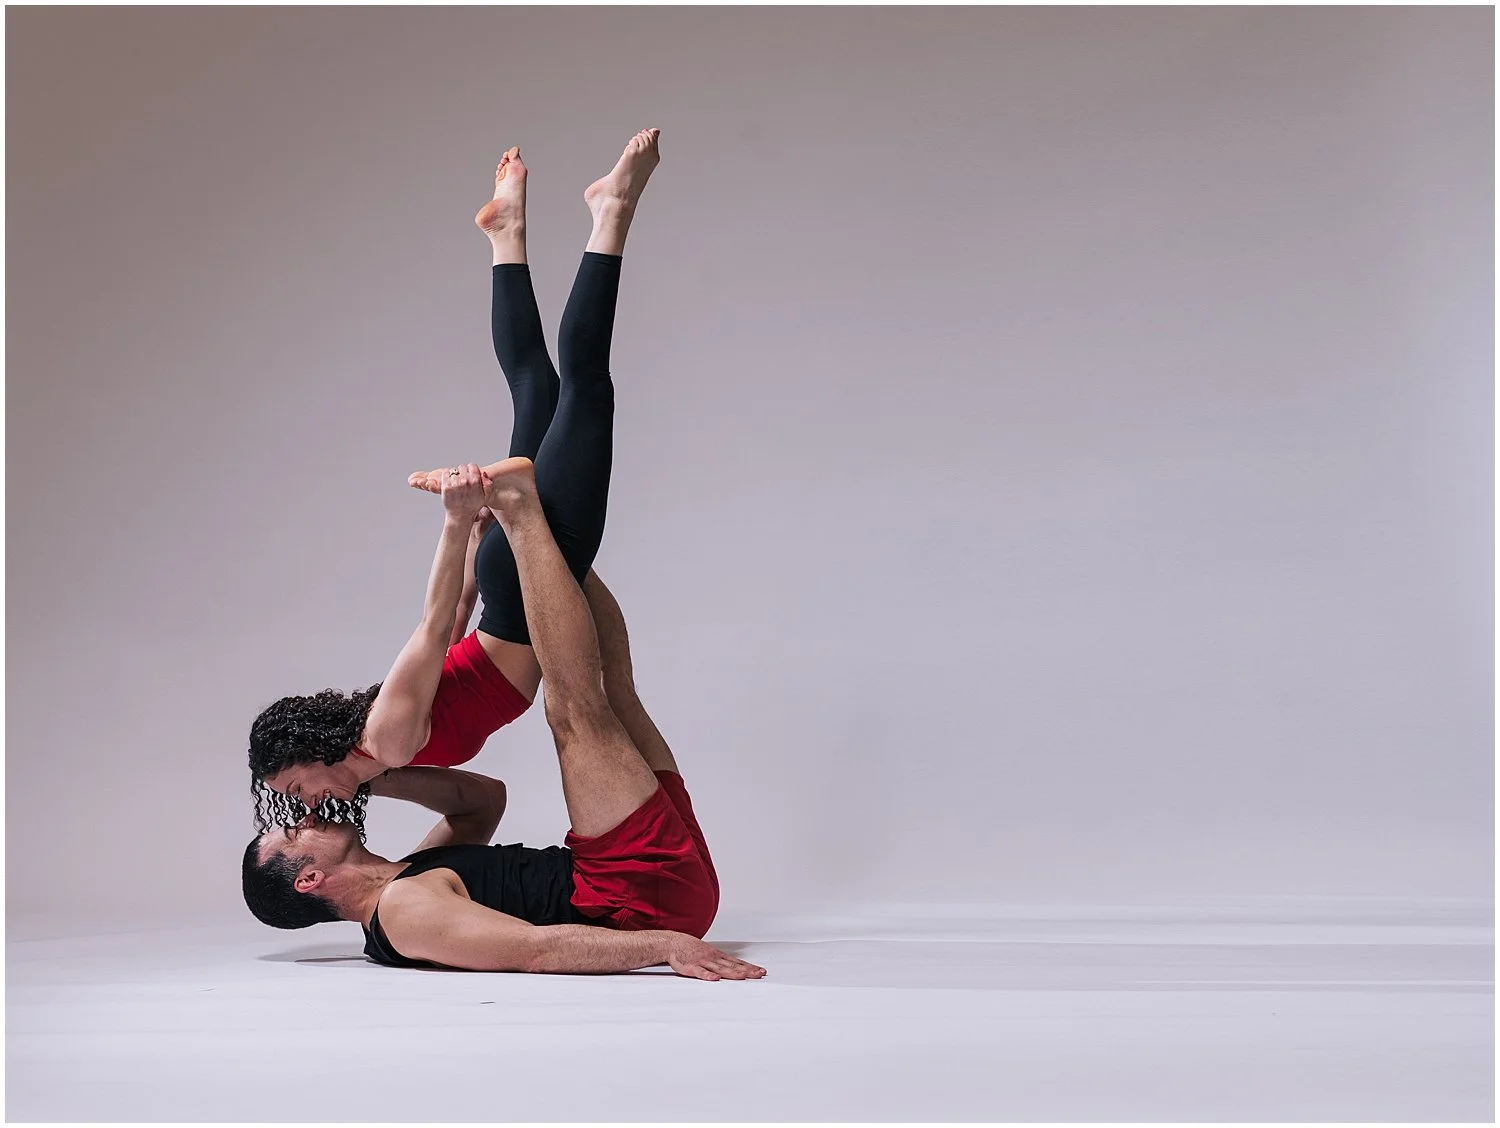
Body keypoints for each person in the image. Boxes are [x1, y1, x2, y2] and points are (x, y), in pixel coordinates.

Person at [248, 130, 661, 828]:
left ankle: (612, 210)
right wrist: (474, 540)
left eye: (296, 786)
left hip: (527, 594)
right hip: (505, 586)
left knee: (586, 387)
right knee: (535, 388)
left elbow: (436, 624)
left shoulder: (385, 740)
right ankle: (507, 232)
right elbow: (456, 625)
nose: (306, 801)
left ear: (309, 751)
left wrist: (456, 518)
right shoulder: (386, 745)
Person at [242, 465, 765, 982]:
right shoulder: (400, 912)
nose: (304, 816)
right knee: (572, 710)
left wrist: (366, 776)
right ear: (309, 879)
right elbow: (535, 950)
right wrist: (667, 945)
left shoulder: (408, 873)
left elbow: (483, 801)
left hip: (652, 886)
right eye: (292, 831)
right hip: (634, 899)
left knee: (611, 689)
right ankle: (523, 511)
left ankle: (549, 535)